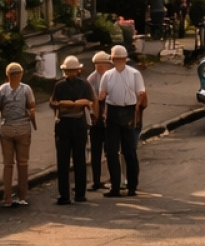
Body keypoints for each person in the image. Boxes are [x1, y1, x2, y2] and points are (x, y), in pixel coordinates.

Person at [99, 45, 148, 196]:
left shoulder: (133, 74)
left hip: (128, 111)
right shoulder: (108, 75)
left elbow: (141, 95)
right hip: (113, 112)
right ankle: (116, 186)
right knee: (112, 151)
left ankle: (131, 186)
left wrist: (138, 113)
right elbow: (102, 95)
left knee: (129, 151)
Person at [0, 62, 37, 208]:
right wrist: (34, 124)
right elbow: (31, 106)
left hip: (7, 128)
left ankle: (7, 198)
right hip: (23, 128)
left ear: (7, 75)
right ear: (21, 74)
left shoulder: (2, 90)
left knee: (8, 164)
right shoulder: (26, 89)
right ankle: (22, 196)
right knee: (23, 163)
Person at [50, 55, 95, 204]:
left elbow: (55, 103)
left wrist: (66, 104)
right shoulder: (83, 84)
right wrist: (75, 104)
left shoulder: (60, 85)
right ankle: (78, 194)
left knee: (66, 160)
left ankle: (66, 194)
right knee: (77, 159)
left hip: (66, 122)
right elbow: (87, 102)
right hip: (76, 122)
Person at [86, 51, 112, 190]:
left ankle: (111, 179)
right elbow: (91, 99)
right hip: (96, 118)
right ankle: (95, 181)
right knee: (96, 151)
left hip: (107, 116)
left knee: (109, 150)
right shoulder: (91, 79)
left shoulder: (110, 76)